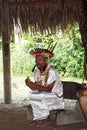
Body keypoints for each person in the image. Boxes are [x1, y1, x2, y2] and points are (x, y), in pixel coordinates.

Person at [25, 45, 64, 127]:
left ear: (46, 60)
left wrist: (33, 85)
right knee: (32, 94)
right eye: (36, 60)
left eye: (40, 60)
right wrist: (29, 84)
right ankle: (38, 119)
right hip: (45, 93)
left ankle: (45, 119)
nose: (37, 62)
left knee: (41, 96)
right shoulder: (37, 71)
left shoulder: (52, 71)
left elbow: (49, 89)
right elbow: (36, 88)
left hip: (55, 96)